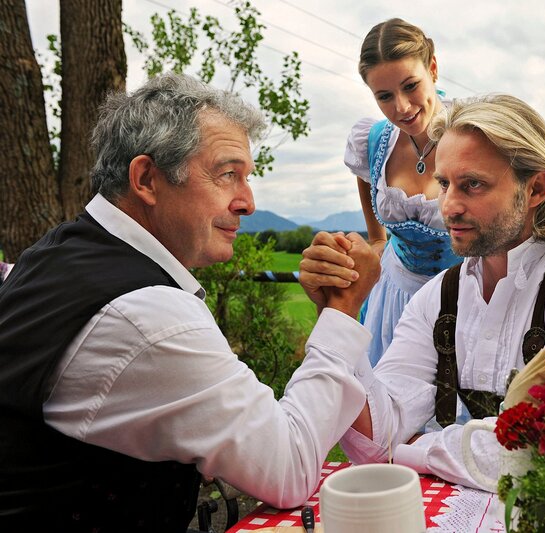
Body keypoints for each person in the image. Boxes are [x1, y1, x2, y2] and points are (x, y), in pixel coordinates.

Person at [0, 73, 378, 532]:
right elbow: (288, 466)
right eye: (227, 174)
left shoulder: (54, 253)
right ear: (146, 178)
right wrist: (341, 310)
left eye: (247, 178)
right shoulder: (148, 315)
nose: (248, 202)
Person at [301, 94, 545, 488]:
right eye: (444, 184)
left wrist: (415, 446)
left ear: (536, 189)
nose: (449, 206)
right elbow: (376, 434)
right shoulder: (441, 295)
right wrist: (338, 310)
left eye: (472, 185)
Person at [345, 18, 461, 366]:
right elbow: (366, 176)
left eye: (411, 86)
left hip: (462, 298)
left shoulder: (472, 133)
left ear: (433, 68)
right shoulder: (375, 139)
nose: (402, 107)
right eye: (384, 96)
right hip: (395, 294)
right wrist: (376, 237)